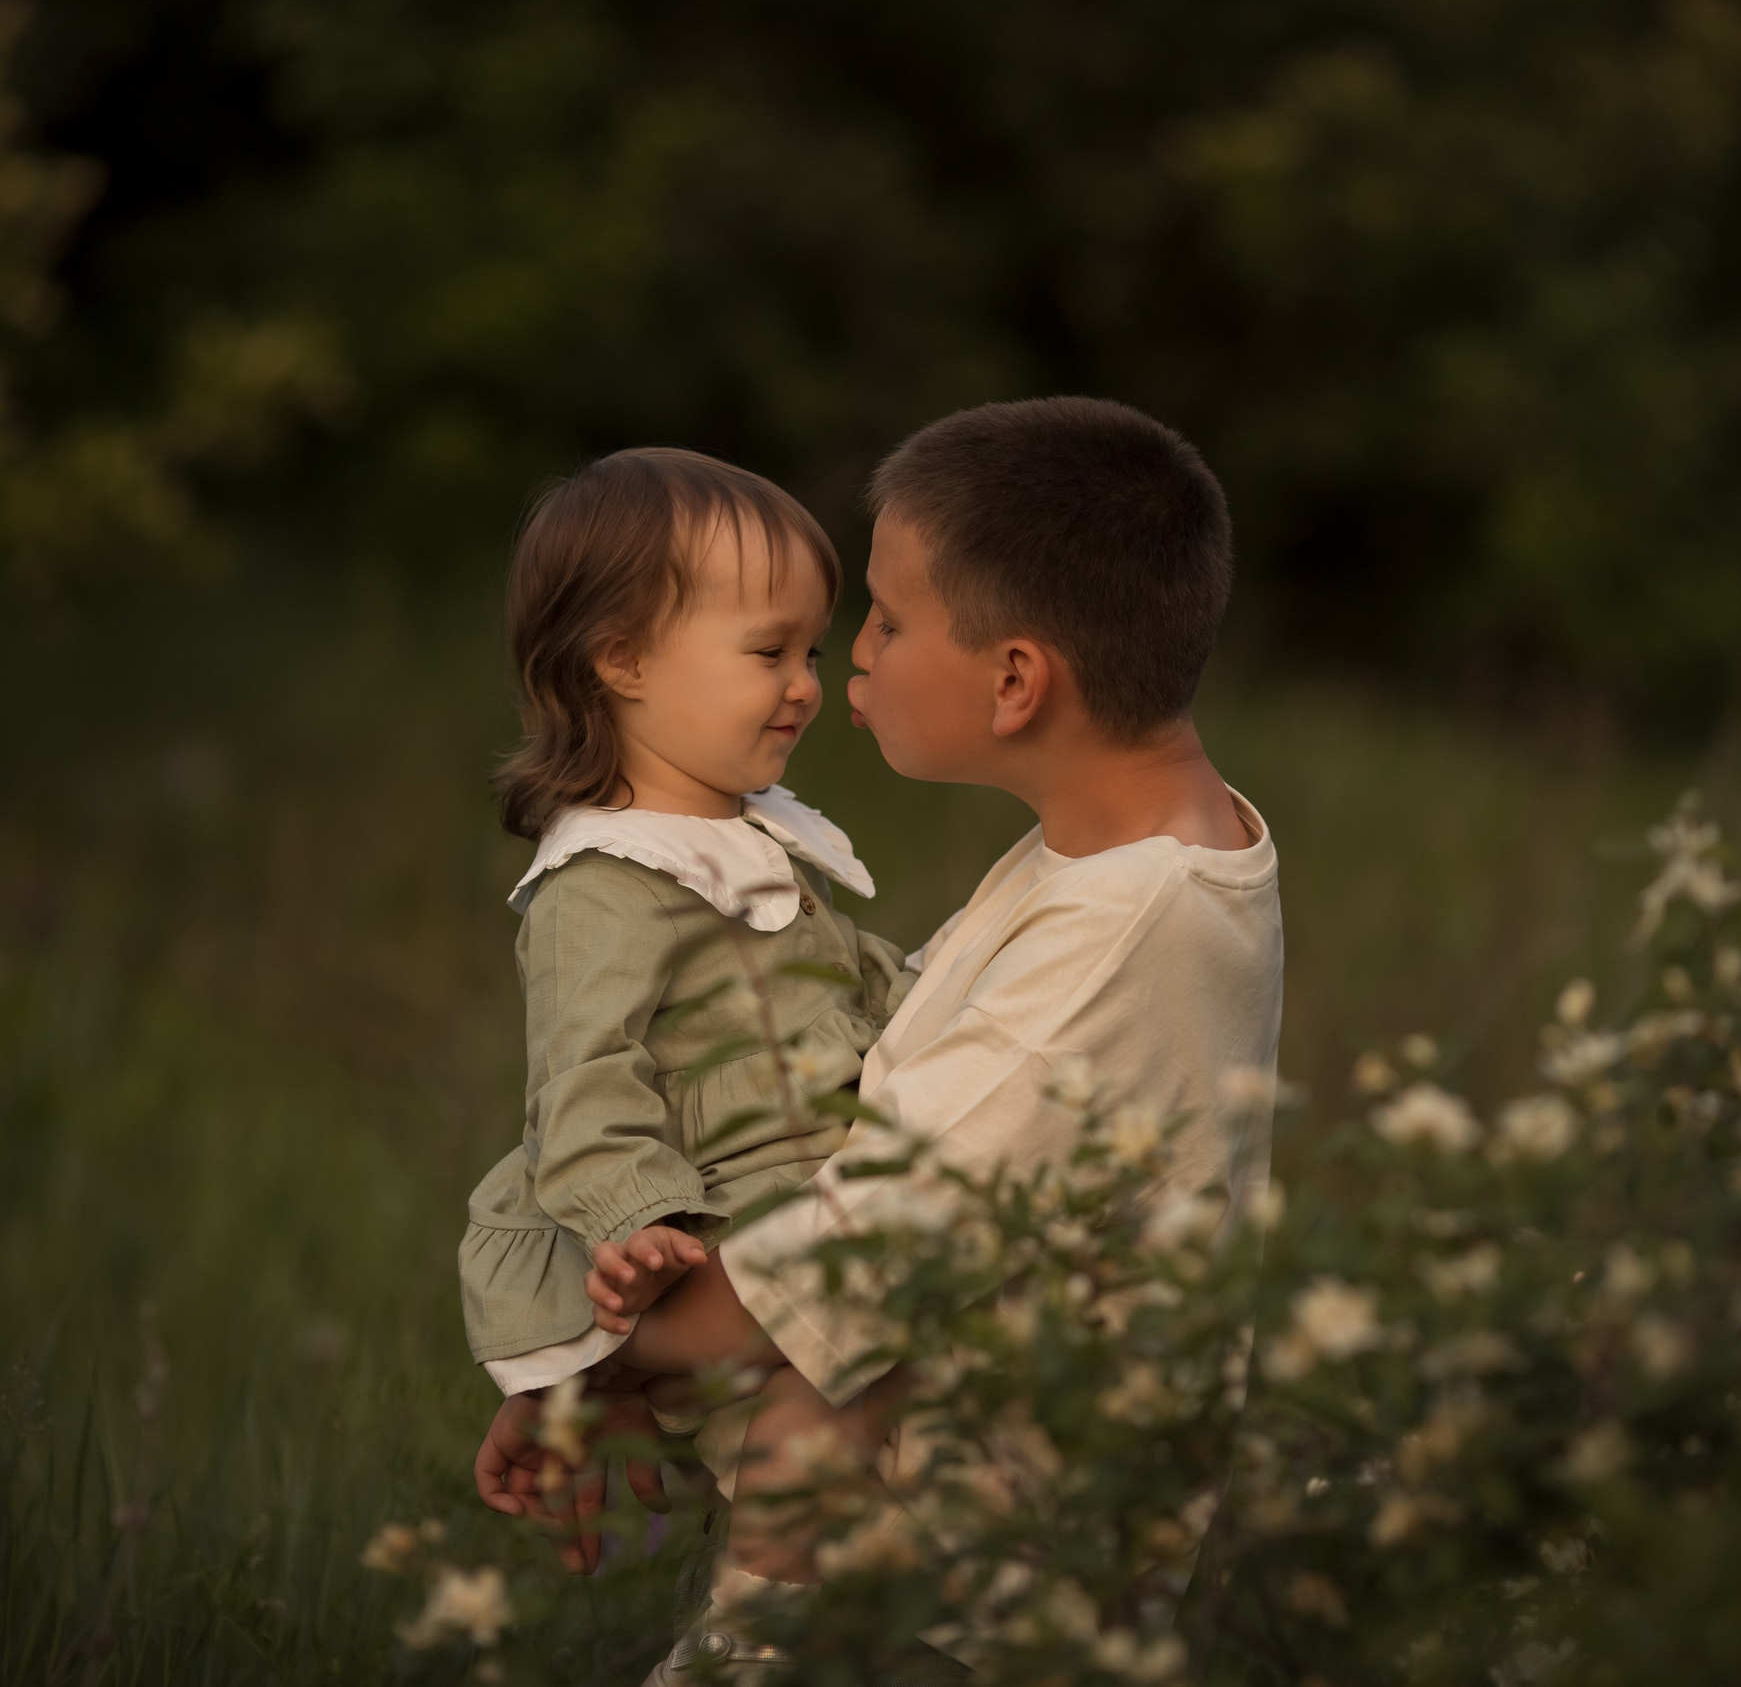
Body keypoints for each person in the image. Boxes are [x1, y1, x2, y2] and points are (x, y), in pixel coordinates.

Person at [476, 398, 1286, 1679]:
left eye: (890, 624)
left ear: (1016, 680)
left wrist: (582, 1376)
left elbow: (847, 1263)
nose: (844, 662)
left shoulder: (1124, 933)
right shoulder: (1121, 860)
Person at [458, 447, 918, 1574]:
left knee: (865, 1468)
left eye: (810, 651)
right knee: (823, 1472)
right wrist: (636, 1227)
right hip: (714, 1230)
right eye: (769, 652)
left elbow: (850, 980)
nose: (806, 683)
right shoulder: (603, 884)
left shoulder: (743, 834)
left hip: (801, 1202)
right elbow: (584, 1082)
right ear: (621, 660)